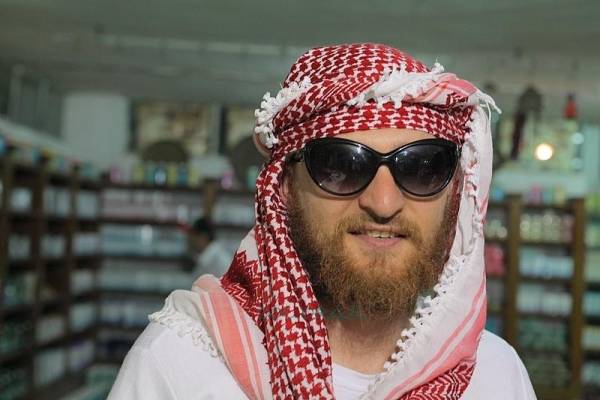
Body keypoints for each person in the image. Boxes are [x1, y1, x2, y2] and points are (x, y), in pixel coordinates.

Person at [108, 43, 536, 399]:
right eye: (341, 167)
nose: (384, 202)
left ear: (454, 192)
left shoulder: (497, 376)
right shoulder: (179, 366)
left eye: (421, 168)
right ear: (284, 188)